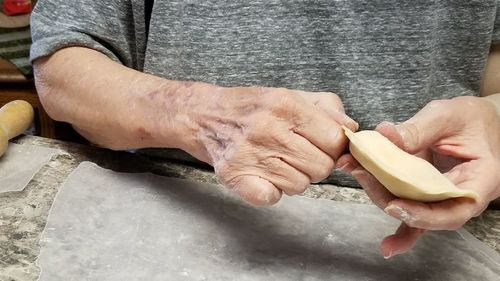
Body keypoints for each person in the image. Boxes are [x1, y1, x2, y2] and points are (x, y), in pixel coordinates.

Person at [30, 0, 500, 258]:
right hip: (174, 210)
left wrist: (495, 120)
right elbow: (63, 69)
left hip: (439, 239)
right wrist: (199, 112)